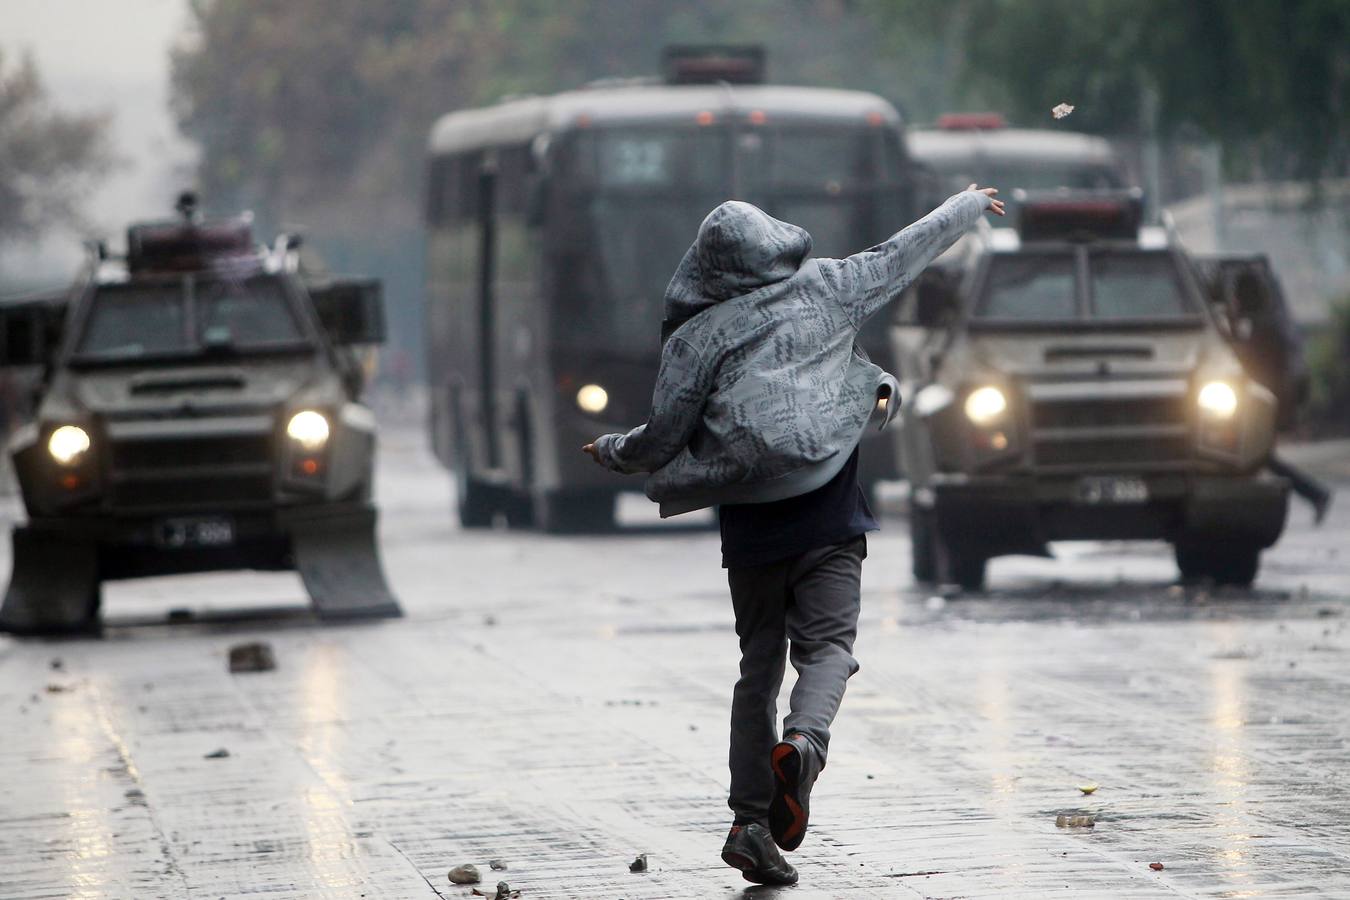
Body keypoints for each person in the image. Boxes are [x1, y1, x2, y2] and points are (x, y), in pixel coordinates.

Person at [584, 185, 1004, 885]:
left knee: (759, 665)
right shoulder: (830, 287)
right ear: (776, 245)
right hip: (826, 512)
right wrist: (965, 204)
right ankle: (804, 745)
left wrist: (611, 450)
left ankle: (750, 823)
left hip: (750, 519)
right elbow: (905, 252)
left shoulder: (696, 337)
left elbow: (661, 438)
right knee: (829, 648)